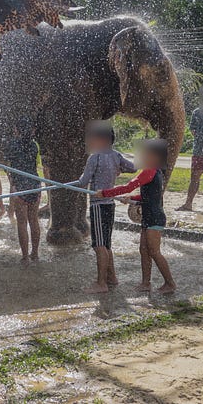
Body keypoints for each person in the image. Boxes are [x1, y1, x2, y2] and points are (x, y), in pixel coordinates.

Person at [102, 139, 175, 294]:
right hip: (149, 217)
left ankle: (170, 283)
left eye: (145, 153)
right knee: (143, 249)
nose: (141, 156)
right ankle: (146, 283)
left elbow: (128, 186)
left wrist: (104, 193)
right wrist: (131, 199)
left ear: (155, 157)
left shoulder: (149, 171)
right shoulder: (155, 171)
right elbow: (149, 197)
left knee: (154, 251)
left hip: (154, 218)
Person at [75, 120, 135, 293]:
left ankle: (101, 283)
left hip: (98, 206)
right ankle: (112, 277)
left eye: (92, 138)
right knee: (107, 244)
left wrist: (66, 185)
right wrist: (117, 169)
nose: (89, 142)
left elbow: (83, 182)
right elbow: (131, 168)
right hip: (110, 205)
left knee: (99, 245)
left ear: (102, 140)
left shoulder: (95, 157)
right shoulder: (116, 156)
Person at [4, 117, 41, 263]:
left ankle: (25, 257)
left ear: (16, 130)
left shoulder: (11, 145)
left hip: (20, 186)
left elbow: (8, 168)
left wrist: (13, 186)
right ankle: (35, 254)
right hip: (35, 185)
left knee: (21, 222)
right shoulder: (34, 146)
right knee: (34, 220)